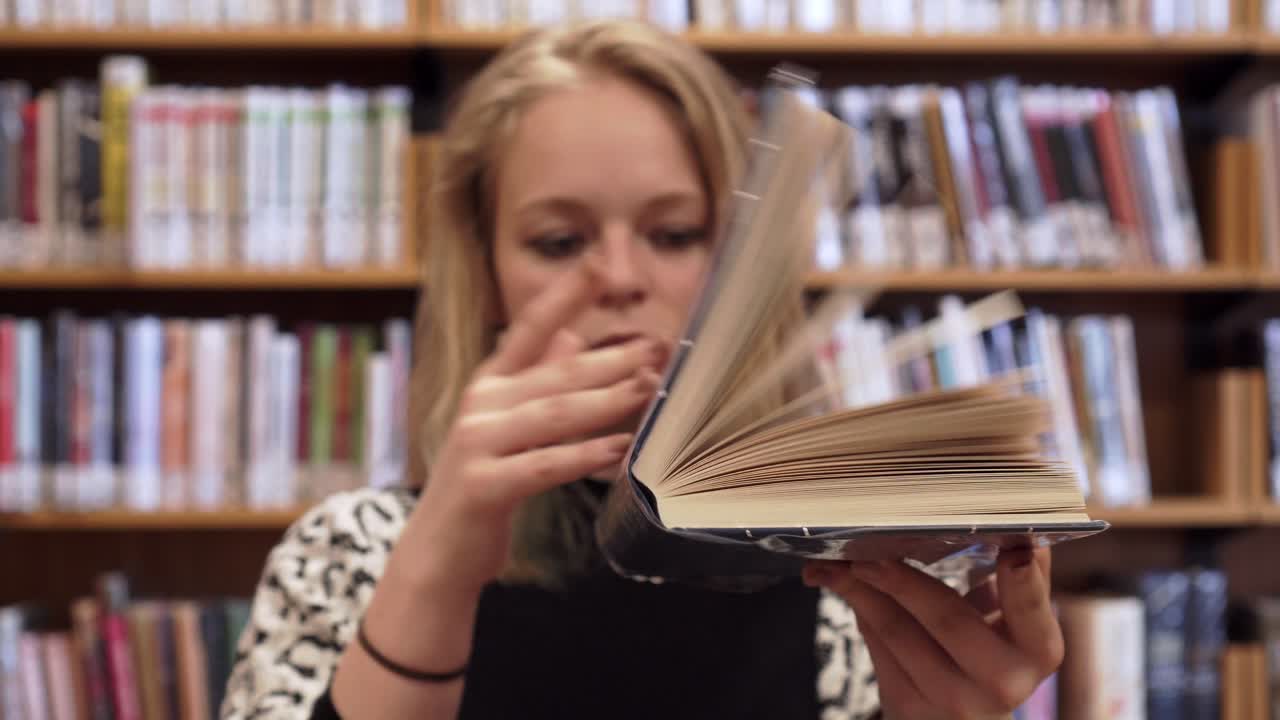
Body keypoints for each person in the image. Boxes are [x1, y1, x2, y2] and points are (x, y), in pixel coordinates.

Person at [220, 18, 1063, 720]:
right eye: (559, 242)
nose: (619, 278)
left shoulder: (844, 582)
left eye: (673, 234)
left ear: (741, 266)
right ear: (484, 275)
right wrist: (434, 574)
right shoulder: (347, 555)